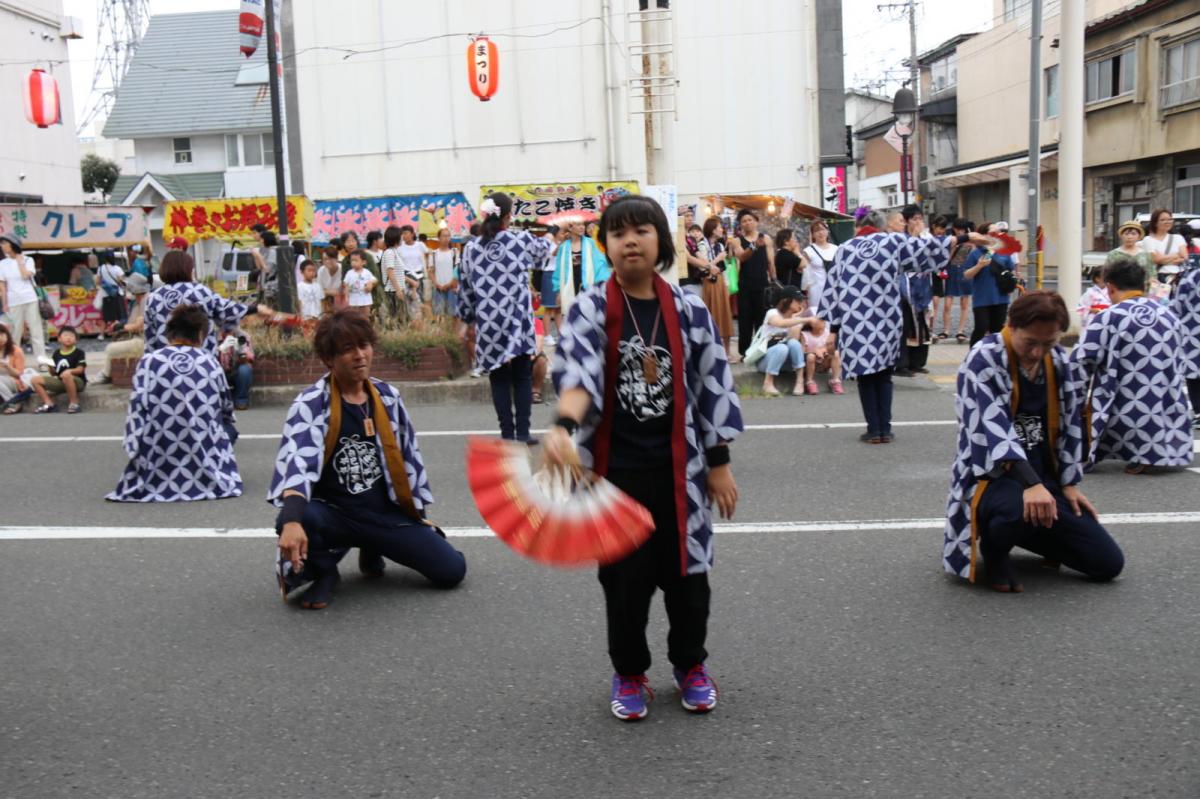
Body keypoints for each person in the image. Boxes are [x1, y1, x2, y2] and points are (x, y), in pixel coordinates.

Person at [546, 194, 743, 721]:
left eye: (641, 230)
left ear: (661, 240)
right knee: (624, 586)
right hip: (615, 476)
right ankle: (630, 673)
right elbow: (577, 376)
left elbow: (710, 387)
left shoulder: (688, 307)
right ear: (605, 245)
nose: (629, 240)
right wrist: (564, 428)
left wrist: (719, 461)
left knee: (689, 582)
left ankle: (690, 666)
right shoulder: (591, 307)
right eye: (617, 233)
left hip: (684, 473)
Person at [269, 310, 466, 610]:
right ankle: (325, 573)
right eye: (348, 349)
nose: (360, 355)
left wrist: (418, 519)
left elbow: (409, 463)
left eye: (364, 345)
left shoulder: (388, 397)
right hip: (336, 514)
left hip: (383, 514)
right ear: (328, 359)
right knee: (294, 517)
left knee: (452, 571)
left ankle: (374, 545)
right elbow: (298, 466)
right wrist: (292, 521)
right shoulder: (311, 403)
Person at [944, 291, 1124, 592]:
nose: (1038, 352)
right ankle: (996, 548)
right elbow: (992, 431)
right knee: (1014, 508)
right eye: (1031, 342)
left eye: (1049, 343)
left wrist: (1068, 484)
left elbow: (1070, 425)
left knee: (1106, 563)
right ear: (1011, 326)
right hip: (992, 478)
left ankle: (1030, 529)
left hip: (1042, 478)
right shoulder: (984, 357)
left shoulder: (1057, 360)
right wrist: (1031, 484)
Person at [827, 209, 983, 444]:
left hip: (856, 320)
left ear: (858, 227)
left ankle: (873, 430)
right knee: (884, 375)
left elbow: (833, 291)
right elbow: (929, 249)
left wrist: (833, 329)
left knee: (866, 377)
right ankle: (885, 429)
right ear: (882, 226)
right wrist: (964, 238)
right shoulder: (893, 241)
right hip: (886, 317)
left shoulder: (844, 249)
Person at [1071, 256, 1193, 474]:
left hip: (1124, 407)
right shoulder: (1169, 316)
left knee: (1111, 401)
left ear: (1109, 287)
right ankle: (1158, 451)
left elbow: (1081, 363)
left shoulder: (1108, 317)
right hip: (1166, 402)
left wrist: (1075, 402)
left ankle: (1130, 451)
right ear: (1143, 285)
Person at [107, 304, 241, 502]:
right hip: (202, 442)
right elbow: (225, 406)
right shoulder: (209, 360)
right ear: (199, 334)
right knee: (228, 429)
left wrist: (133, 444)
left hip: (159, 445)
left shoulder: (150, 360)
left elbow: (138, 404)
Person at [458, 193, 553, 443]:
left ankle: (507, 434)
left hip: (488, 322)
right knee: (522, 375)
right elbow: (545, 252)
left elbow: (466, 289)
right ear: (509, 216)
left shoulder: (470, 249)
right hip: (517, 318)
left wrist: (468, 319)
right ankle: (522, 432)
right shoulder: (519, 239)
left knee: (498, 377)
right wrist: (552, 233)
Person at [143, 250, 274, 355]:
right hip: (201, 357)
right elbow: (225, 309)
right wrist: (254, 308)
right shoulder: (200, 291)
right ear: (188, 269)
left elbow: (149, 336)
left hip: (164, 360)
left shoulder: (154, 297)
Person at [729, 209, 776, 358]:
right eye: (744, 221)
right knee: (745, 320)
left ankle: (761, 349)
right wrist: (754, 246)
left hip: (762, 284)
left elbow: (770, 261)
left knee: (762, 319)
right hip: (745, 285)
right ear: (740, 225)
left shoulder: (766, 239)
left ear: (756, 221)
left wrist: (774, 280)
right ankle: (744, 352)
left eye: (750, 220)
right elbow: (742, 257)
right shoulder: (736, 241)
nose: (747, 223)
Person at [751, 288, 814, 397]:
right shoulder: (772, 313)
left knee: (793, 343)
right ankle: (768, 383)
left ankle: (799, 381)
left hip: (785, 362)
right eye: (797, 300)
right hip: (765, 359)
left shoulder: (794, 319)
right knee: (782, 348)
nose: (801, 303)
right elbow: (780, 323)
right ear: (786, 301)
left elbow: (793, 339)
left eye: (801, 301)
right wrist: (804, 320)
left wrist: (795, 318)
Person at [963, 223, 1015, 346]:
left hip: (1001, 298)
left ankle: (996, 357)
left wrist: (1010, 284)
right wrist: (979, 265)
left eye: (998, 232)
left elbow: (1010, 270)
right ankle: (973, 356)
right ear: (984, 235)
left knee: (997, 332)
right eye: (993, 232)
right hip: (982, 299)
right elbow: (966, 275)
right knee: (981, 328)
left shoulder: (1004, 252)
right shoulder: (975, 253)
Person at [0, 233, 47, 361]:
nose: (2, 246)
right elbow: (2, 286)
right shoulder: (3, 263)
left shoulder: (28, 260)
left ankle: (41, 360)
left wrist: (20, 262)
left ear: (13, 244)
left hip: (30, 299)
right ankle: (13, 360)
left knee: (36, 331)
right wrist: (4, 304)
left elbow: (26, 276)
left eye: (4, 243)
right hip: (13, 301)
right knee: (15, 333)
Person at [698, 217, 737, 362]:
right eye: (720, 227)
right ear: (713, 229)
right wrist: (718, 258)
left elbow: (724, 269)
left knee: (725, 315)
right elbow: (703, 266)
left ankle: (727, 352)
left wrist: (726, 286)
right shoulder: (702, 245)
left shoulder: (720, 246)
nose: (722, 230)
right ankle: (714, 352)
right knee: (713, 314)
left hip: (720, 281)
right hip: (709, 282)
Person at [553, 220, 610, 315]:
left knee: (589, 313)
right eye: (578, 225)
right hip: (570, 285)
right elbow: (558, 271)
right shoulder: (563, 247)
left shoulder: (591, 243)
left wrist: (601, 284)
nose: (582, 227)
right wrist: (558, 291)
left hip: (589, 284)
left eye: (583, 225)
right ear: (570, 228)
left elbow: (600, 264)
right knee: (572, 314)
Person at [30, 325, 86, 414]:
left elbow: (80, 370)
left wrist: (70, 371)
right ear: (59, 339)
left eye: (71, 336)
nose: (68, 338)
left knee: (66, 375)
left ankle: (74, 403)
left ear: (76, 340)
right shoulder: (56, 353)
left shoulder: (79, 352)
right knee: (35, 380)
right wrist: (50, 366)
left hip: (77, 382)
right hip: (61, 381)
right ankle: (49, 404)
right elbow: (54, 374)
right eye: (66, 335)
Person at [1171, 261, 1200, 427]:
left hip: (1192, 331)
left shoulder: (1189, 277)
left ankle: (1198, 410)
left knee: (1194, 372)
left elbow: (1178, 305)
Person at [937, 218, 974, 342]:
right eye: (957, 229)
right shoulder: (950, 240)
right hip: (952, 270)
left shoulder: (971, 241)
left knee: (964, 303)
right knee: (947, 304)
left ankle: (960, 331)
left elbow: (973, 256)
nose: (959, 232)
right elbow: (946, 258)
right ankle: (946, 330)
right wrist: (955, 246)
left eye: (962, 229)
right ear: (954, 229)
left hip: (965, 271)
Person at [800, 220, 837, 317]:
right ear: (812, 234)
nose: (820, 232)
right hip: (816, 289)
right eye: (816, 230)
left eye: (823, 229)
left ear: (827, 231)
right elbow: (804, 272)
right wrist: (805, 291)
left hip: (834, 287)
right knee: (817, 315)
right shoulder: (808, 251)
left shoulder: (836, 249)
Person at [340, 231, 385, 311]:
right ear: (343, 244)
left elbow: (376, 276)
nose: (351, 244)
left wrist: (371, 283)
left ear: (357, 242)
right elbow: (344, 281)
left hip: (371, 297)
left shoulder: (367, 256)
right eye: (347, 242)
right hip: (354, 300)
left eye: (353, 241)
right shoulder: (345, 261)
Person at [218, 321, 255, 411]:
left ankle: (241, 400)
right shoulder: (213, 336)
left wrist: (240, 351)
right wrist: (220, 349)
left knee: (245, 369)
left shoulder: (242, 336)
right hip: (218, 371)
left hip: (235, 371)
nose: (229, 330)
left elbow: (248, 359)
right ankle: (217, 401)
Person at [1141, 208, 1188, 279]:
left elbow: (1185, 257)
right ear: (1155, 223)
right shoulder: (1148, 240)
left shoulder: (1178, 238)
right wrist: (1176, 255)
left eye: (1170, 219)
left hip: (1178, 276)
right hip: (1159, 277)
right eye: (1163, 220)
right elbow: (1155, 259)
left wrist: (1163, 258)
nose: (1167, 222)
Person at [801, 317, 843, 395]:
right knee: (810, 356)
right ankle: (810, 381)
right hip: (811, 363)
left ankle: (835, 380)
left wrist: (823, 349)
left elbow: (831, 347)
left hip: (824, 362)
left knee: (836, 353)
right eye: (821, 321)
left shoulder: (827, 333)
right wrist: (814, 350)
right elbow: (803, 350)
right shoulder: (805, 334)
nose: (824, 322)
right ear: (812, 324)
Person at [538, 226, 564, 344]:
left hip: (559, 275)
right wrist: (561, 244)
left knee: (558, 308)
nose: (563, 234)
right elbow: (553, 254)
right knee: (549, 308)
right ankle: (547, 335)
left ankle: (560, 334)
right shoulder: (546, 241)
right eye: (561, 232)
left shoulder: (560, 243)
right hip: (549, 274)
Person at [1106, 220, 1153, 287]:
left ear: (1139, 236)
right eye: (1126, 234)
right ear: (1121, 236)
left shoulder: (1146, 255)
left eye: (1133, 234)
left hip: (1141, 293)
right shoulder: (1113, 254)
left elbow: (1152, 276)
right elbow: (1108, 275)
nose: (1129, 237)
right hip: (1120, 291)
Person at [397, 226, 428, 321]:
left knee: (419, 301)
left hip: (419, 275)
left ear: (412, 234)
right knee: (407, 301)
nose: (404, 235)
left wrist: (425, 268)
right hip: (406, 276)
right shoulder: (400, 247)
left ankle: (419, 322)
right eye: (403, 234)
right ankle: (408, 323)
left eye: (406, 233)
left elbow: (427, 254)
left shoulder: (420, 245)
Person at [0, 323, 32, 413]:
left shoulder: (16, 350)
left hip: (15, 380)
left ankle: (13, 403)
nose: (0, 338)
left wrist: (7, 367)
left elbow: (19, 374)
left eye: (2, 334)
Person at [429, 227, 460, 318]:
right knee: (439, 315)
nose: (446, 238)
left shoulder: (455, 252)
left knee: (452, 315)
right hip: (438, 288)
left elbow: (457, 270)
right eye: (444, 236)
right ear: (438, 238)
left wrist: (449, 284)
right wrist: (437, 284)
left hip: (452, 288)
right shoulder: (434, 253)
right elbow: (431, 271)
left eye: (448, 236)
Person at [249, 224, 279, 305]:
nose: (261, 241)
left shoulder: (273, 251)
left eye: (262, 239)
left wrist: (258, 255)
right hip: (264, 285)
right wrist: (256, 256)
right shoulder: (265, 250)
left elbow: (267, 270)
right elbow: (259, 267)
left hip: (271, 287)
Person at [98, 254, 127, 330]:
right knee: (119, 315)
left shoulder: (100, 268)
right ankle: (116, 331)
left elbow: (98, 281)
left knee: (106, 316)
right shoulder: (117, 268)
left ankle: (101, 335)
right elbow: (121, 281)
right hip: (117, 293)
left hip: (105, 294)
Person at [318, 245, 344, 315]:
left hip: (341, 303)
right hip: (326, 303)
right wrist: (332, 292)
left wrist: (327, 291)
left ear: (336, 258)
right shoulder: (321, 270)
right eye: (325, 259)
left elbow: (342, 292)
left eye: (330, 258)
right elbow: (319, 291)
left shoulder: (343, 270)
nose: (327, 261)